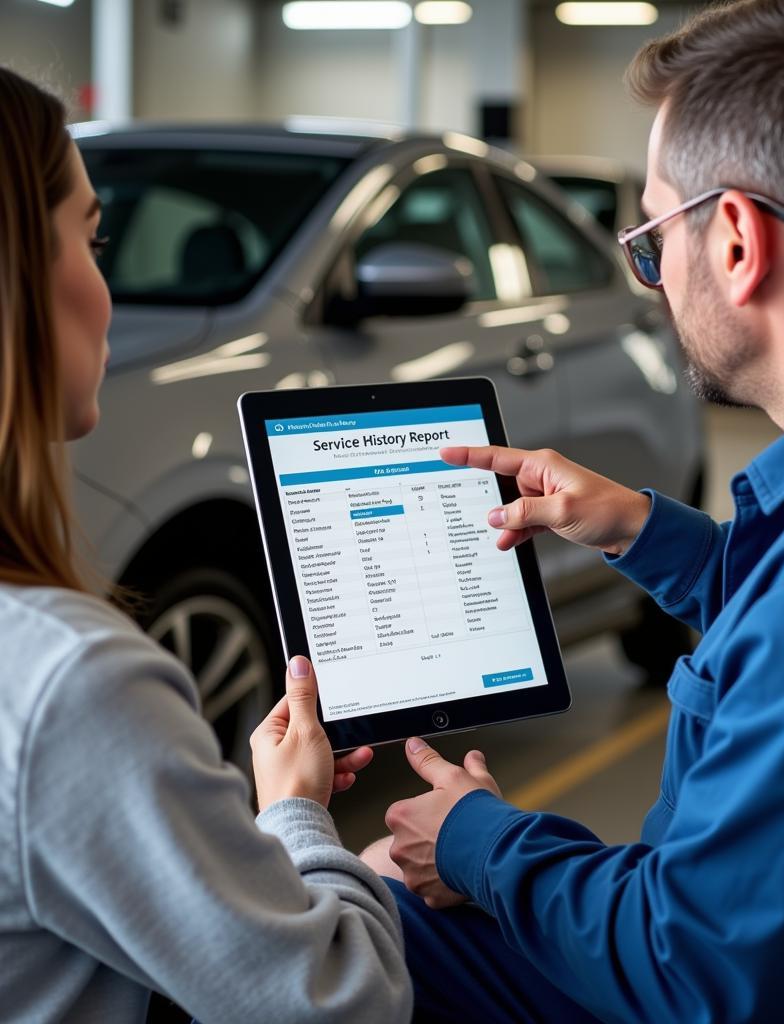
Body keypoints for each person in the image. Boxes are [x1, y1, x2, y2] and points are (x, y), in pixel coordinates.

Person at [362, 0, 784, 1020]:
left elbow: (691, 974)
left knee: (355, 915)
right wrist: (641, 528)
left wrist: (476, 837)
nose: (652, 278)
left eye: (649, 237)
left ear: (735, 243)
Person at [0, 67, 411, 1023]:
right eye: (92, 238)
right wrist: (304, 829)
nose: (108, 284)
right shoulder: (72, 686)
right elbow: (340, 1004)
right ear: (22, 272)